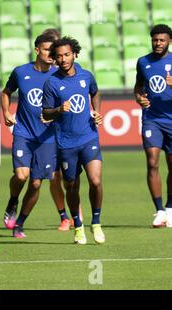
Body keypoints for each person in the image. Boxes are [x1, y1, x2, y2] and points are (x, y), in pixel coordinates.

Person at [2, 33, 75, 239]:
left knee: (36, 183)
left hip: (48, 137)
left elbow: (68, 104)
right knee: (21, 176)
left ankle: (20, 223)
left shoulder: (58, 77)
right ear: (36, 50)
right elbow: (7, 92)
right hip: (24, 132)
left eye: (54, 52)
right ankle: (13, 200)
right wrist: (6, 112)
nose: (51, 55)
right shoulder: (21, 72)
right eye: (46, 50)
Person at [42, 37, 105, 245]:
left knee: (95, 180)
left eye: (66, 54)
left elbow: (95, 92)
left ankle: (95, 223)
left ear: (75, 54)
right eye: (58, 56)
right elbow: (46, 113)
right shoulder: (51, 83)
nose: (63, 59)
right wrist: (59, 110)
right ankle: (78, 226)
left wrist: (96, 111)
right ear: (54, 58)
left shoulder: (86, 76)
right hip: (66, 143)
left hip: (88, 137)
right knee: (72, 186)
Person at [134, 24, 172, 227]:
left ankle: (170, 208)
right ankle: (158, 210)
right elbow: (138, 87)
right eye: (155, 40)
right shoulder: (143, 62)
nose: (158, 43)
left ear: (169, 41)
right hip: (152, 119)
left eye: (162, 40)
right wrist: (139, 98)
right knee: (152, 162)